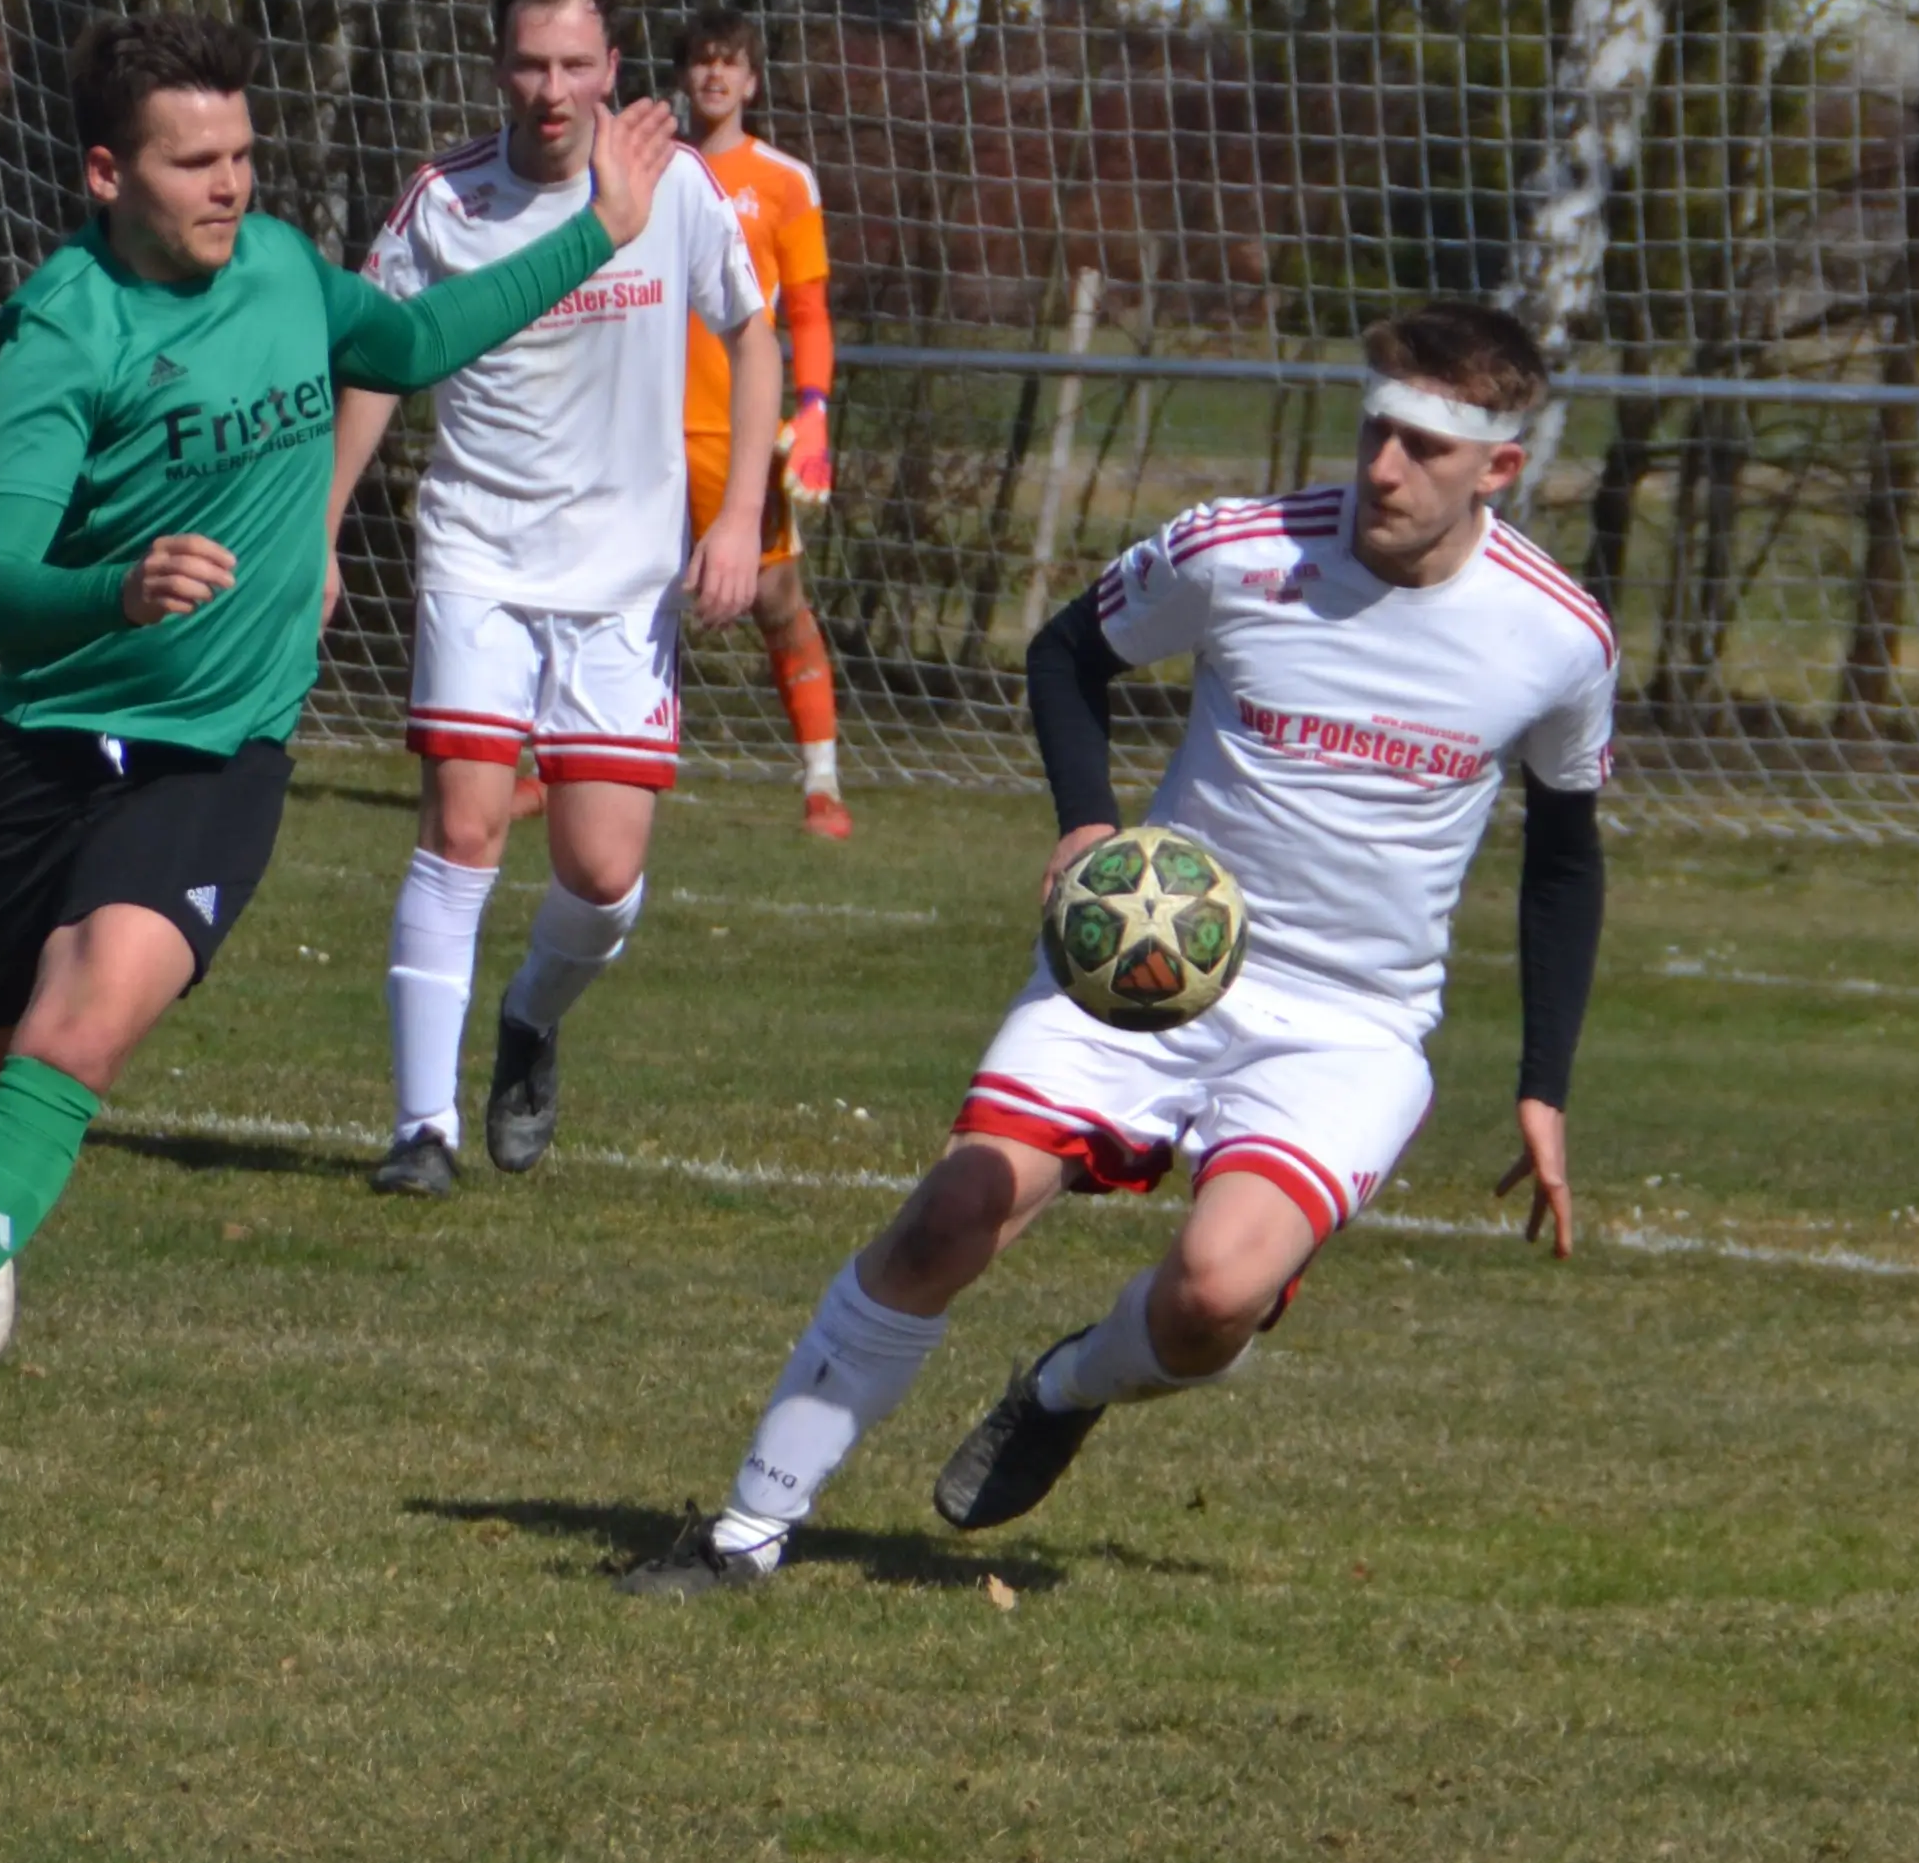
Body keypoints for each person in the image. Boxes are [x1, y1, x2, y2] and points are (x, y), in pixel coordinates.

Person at [0, 9, 678, 1466]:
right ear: (101, 175)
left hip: (214, 758)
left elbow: (422, 335)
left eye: (243, 155)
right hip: (42, 746)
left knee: (82, 1029)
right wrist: (110, 589)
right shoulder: (64, 331)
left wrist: (601, 235)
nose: (232, 187)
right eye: (194, 162)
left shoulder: (279, 270)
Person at [625, 303, 1615, 1594]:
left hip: (1351, 1024)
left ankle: (1066, 1384)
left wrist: (1543, 1084)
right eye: (1373, 428)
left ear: (1499, 468)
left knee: (1213, 1299)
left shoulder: (1558, 638)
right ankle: (743, 1538)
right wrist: (1091, 824)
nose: (1381, 466)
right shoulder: (1242, 550)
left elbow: (1565, 852)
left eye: (1423, 447)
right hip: (1144, 968)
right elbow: (1068, 655)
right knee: (954, 1212)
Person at [325, 0, 768, 1203]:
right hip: (477, 552)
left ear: (614, 71)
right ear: (498, 68)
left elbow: (754, 326)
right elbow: (373, 360)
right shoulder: (443, 204)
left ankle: (530, 1019)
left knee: (602, 874)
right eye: (531, 63)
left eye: (578, 64)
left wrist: (736, 514)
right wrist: (322, 526)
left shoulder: (673, 186)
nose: (554, 89)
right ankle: (422, 1128)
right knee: (461, 827)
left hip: (624, 583)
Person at [674, 7, 853, 839]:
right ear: (685, 75)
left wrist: (813, 413)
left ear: (751, 80)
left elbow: (809, 312)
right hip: (638, 430)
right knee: (602, 588)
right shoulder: (647, 169)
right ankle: (554, 765)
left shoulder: (784, 180)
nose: (715, 76)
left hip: (732, 434)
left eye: (730, 63)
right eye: (703, 62)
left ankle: (821, 780)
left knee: (777, 598)